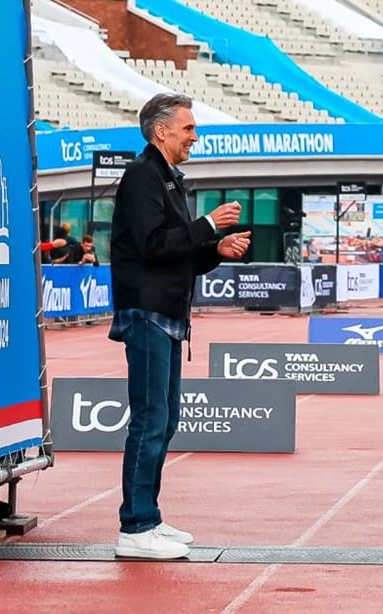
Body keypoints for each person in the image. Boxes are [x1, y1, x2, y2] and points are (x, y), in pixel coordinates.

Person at [108, 93, 250, 559]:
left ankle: (148, 517)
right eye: (187, 128)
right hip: (147, 313)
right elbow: (152, 246)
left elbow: (175, 253)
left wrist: (214, 251)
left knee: (165, 420)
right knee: (151, 420)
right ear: (161, 131)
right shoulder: (142, 176)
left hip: (166, 314)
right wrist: (208, 225)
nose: (194, 136)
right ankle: (135, 527)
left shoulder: (166, 179)